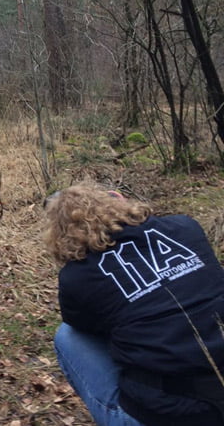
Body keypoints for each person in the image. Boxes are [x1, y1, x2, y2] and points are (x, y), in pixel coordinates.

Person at [43, 182, 224, 426]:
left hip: (166, 414)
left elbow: (85, 327)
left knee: (68, 336)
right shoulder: (186, 226)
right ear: (118, 202)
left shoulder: (76, 277)